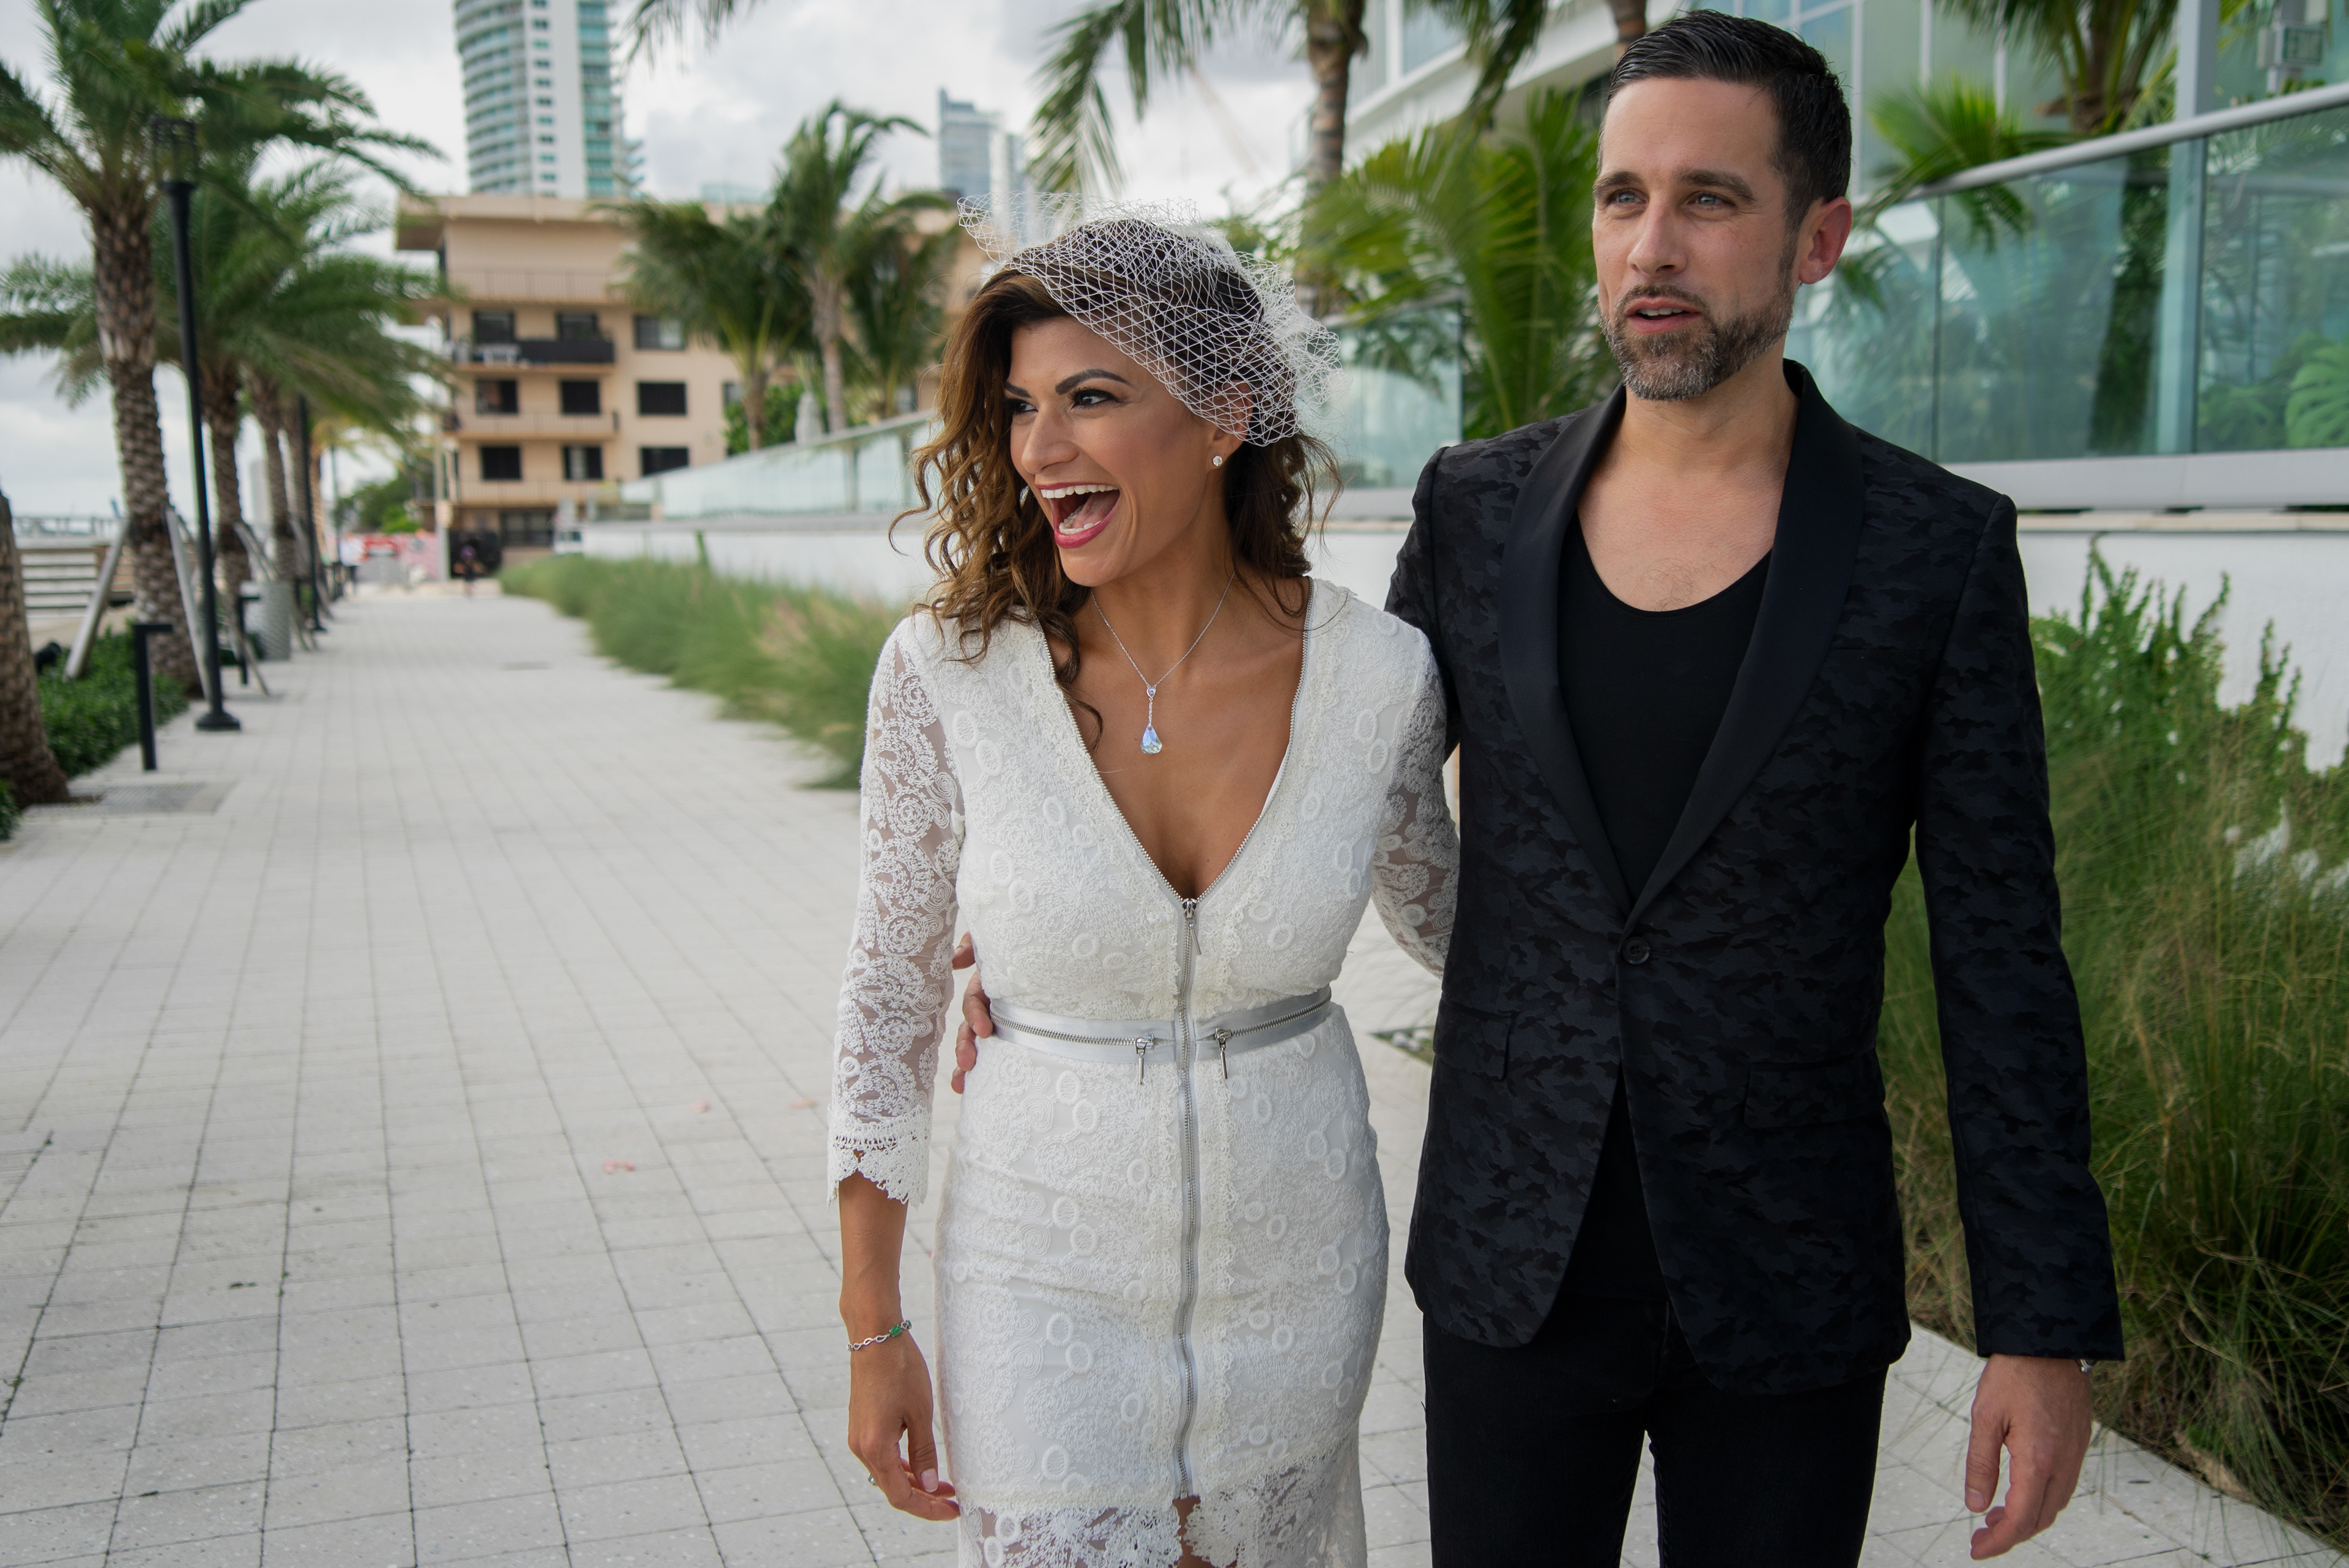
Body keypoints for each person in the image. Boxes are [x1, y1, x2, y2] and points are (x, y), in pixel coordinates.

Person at [957, 16, 2124, 1566]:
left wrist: (2041, 1328)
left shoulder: (1936, 551)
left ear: (1818, 237)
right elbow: (1308, 755)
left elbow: (2004, 963)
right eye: (1622, 196)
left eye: (1710, 199)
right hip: (1510, 1259)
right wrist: (1048, 924)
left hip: (1790, 1279)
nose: (1653, 245)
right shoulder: (1477, 507)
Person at [828, 208, 1458, 1568]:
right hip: (1036, 1273)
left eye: (1091, 399)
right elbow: (884, 1009)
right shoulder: (948, 674)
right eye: (1019, 407)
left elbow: (1468, 933)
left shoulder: (1381, 677)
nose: (1038, 448)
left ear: (1225, 412)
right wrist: (875, 1327)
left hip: (1301, 1268)